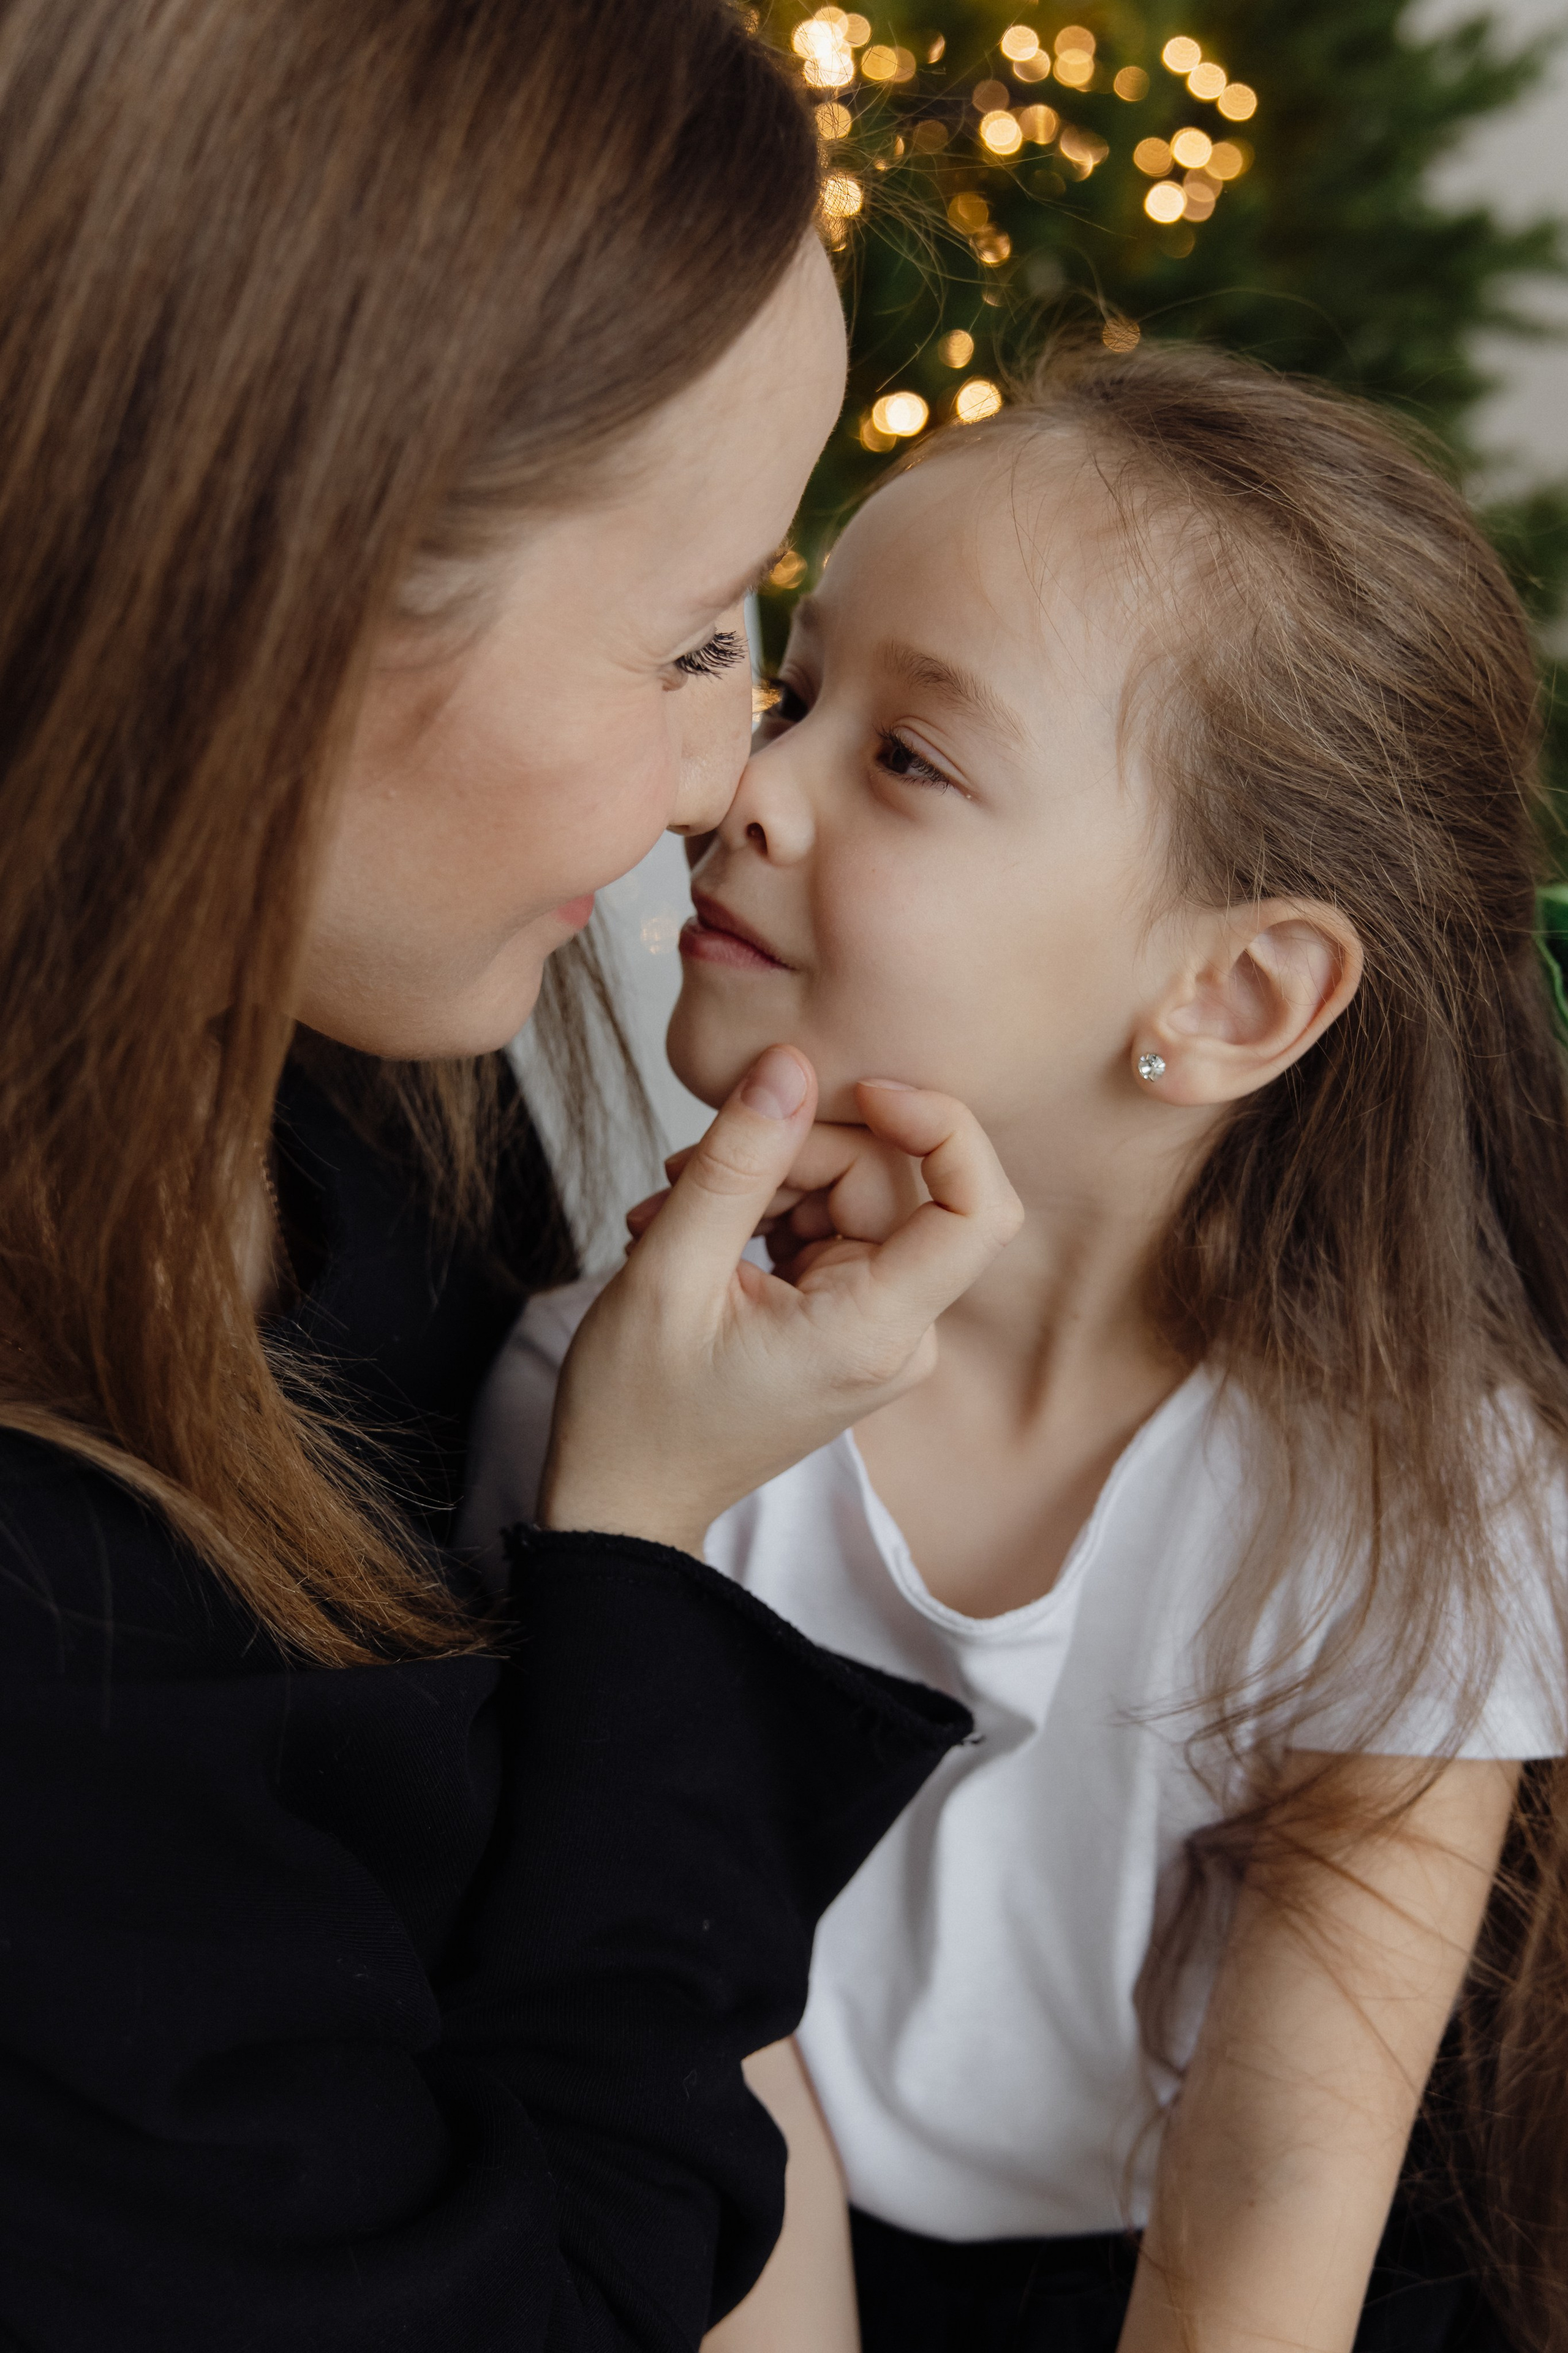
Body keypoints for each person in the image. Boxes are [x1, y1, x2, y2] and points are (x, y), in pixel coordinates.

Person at [0, 4, 1027, 2346]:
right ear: (267, 595)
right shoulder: (52, 1661)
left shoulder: (348, 1100)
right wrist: (634, 1540)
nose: (726, 777)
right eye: (688, 639)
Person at [463, 344, 1568, 2353]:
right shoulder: (613, 1402)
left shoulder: (1431, 1497)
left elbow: (1268, 2222)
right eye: (794, 692)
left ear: (1234, 995)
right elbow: (700, 2069)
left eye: (907, 756)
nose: (739, 785)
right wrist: (638, 1524)